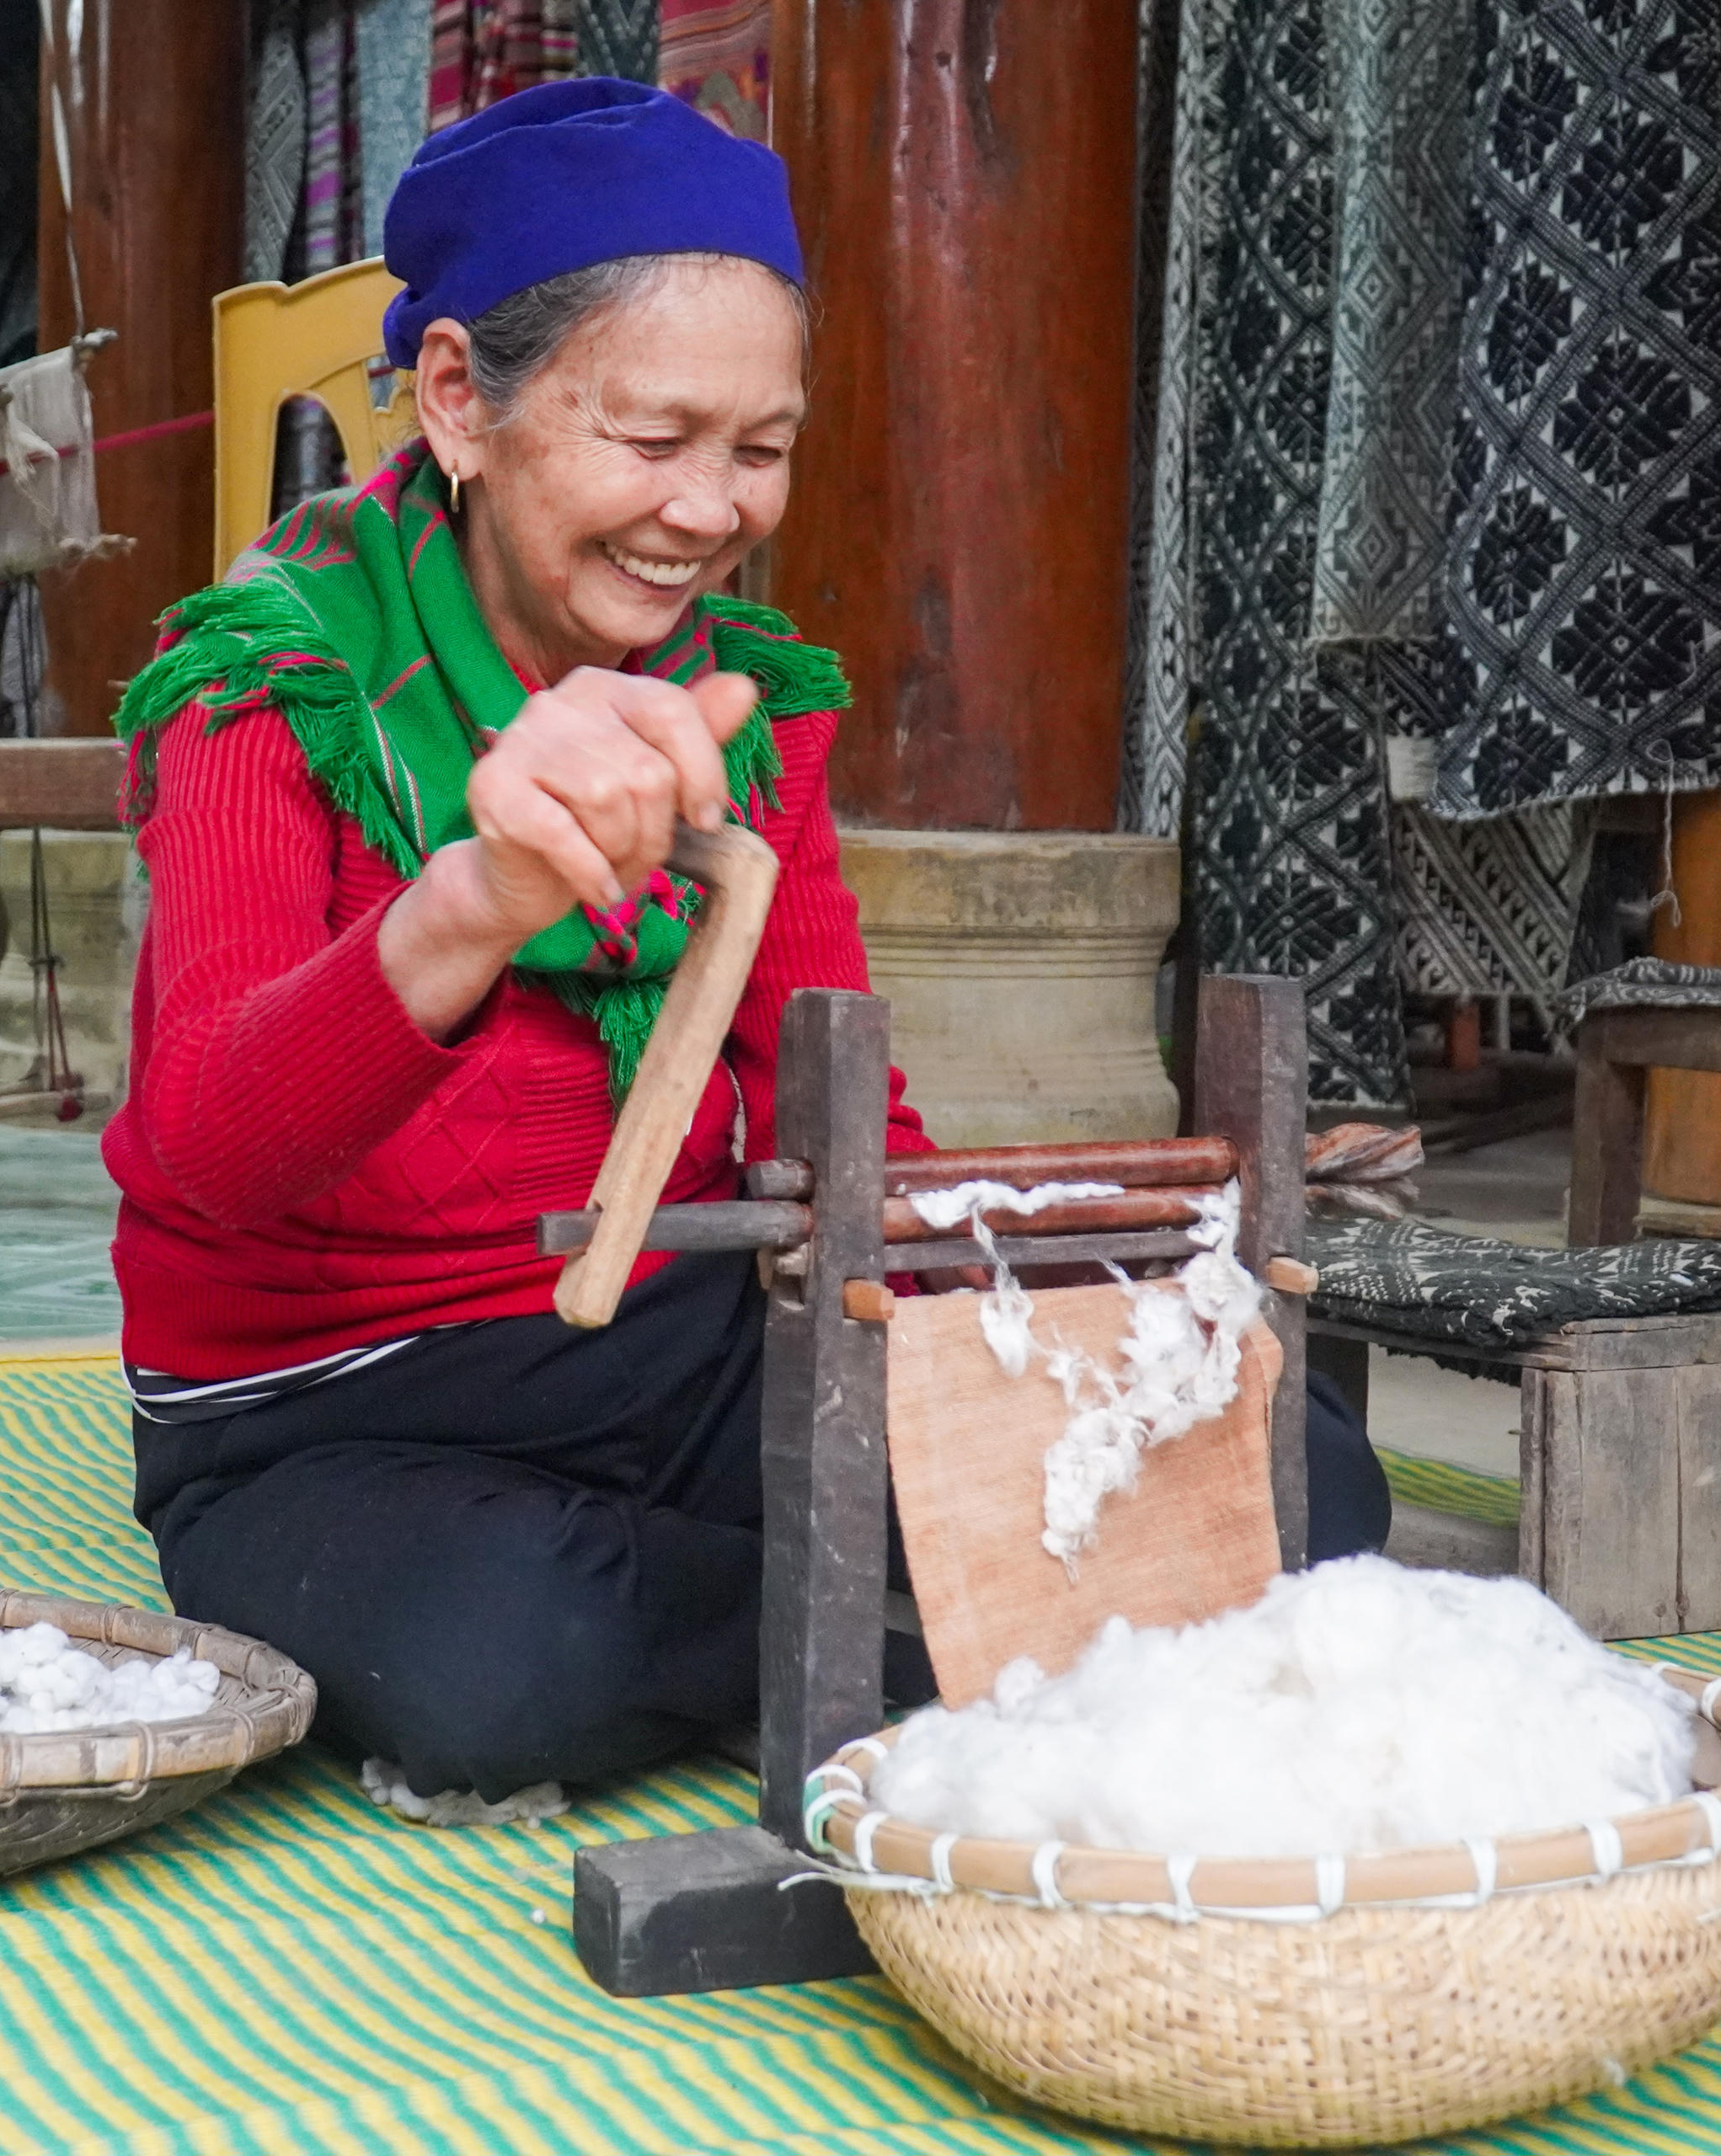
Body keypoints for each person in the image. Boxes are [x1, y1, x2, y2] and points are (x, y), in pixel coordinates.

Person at [104, 79, 1383, 1811]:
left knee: (1285, 1459)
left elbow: (840, 1129)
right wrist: (470, 902)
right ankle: (927, 1623)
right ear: (463, 395)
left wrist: (1020, 1328)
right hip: (341, 1409)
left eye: (761, 448)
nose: (709, 511)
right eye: (651, 439)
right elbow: (207, 1147)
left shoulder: (748, 712)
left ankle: (842, 1604)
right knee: (510, 1663)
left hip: (684, 1348)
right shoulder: (266, 690)